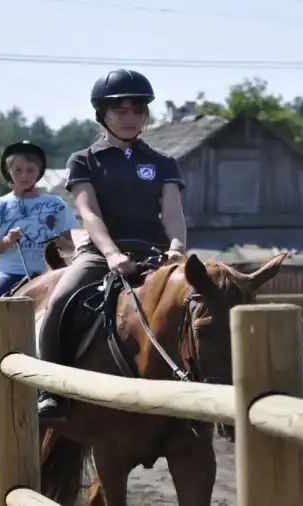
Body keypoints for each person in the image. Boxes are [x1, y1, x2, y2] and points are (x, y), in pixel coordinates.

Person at [36, 69, 188, 419]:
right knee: (60, 301)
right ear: (102, 114)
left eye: (137, 111)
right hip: (101, 253)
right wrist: (112, 253)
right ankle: (51, 390)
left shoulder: (163, 162)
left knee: (200, 303)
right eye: (120, 110)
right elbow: (88, 213)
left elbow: (173, 212)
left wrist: (177, 247)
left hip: (156, 254)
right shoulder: (84, 160)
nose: (130, 118)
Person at [0, 141, 78, 393]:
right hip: (8, 272)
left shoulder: (56, 204)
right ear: (8, 172)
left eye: (31, 170)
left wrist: (59, 240)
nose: (25, 176)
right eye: (19, 171)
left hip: (50, 272)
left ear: (39, 172)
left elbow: (70, 247)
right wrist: (6, 241)